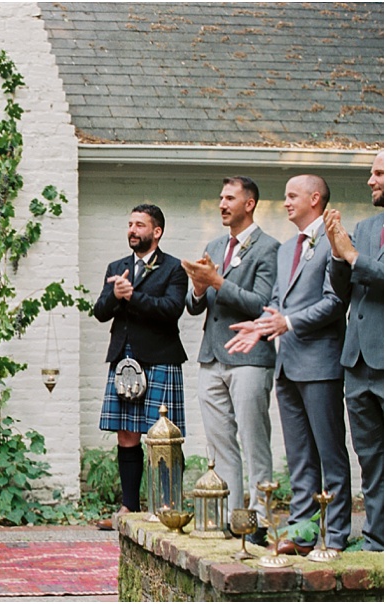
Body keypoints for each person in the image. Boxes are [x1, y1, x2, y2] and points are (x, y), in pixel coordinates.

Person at [226, 174, 351, 555]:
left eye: (292, 196)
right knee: (298, 456)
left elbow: (334, 302)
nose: (285, 203)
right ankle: (301, 532)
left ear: (316, 198)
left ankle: (336, 535)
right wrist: (263, 326)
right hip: (288, 363)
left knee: (329, 453)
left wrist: (289, 322)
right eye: (284, 197)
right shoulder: (285, 250)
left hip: (321, 362)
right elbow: (279, 300)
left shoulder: (334, 241)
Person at [183, 177, 279, 545]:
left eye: (229, 198)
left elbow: (263, 303)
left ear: (250, 203)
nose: (222, 204)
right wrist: (199, 287)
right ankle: (230, 517)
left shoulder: (269, 248)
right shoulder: (215, 244)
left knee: (254, 439)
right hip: (211, 355)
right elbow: (195, 307)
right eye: (220, 198)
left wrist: (219, 282)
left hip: (250, 357)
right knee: (220, 442)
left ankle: (260, 521)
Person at [93, 204, 187, 530]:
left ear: (156, 232)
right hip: (124, 359)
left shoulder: (173, 268)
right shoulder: (117, 267)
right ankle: (128, 508)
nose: (133, 230)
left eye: (140, 225)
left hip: (160, 357)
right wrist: (116, 295)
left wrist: (132, 297)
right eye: (130, 224)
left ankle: (167, 507)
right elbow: (100, 312)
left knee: (163, 438)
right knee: (127, 434)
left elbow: (172, 310)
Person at [324, 151, 384, 552]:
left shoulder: (357, 241)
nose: (370, 180)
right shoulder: (364, 226)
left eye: (379, 172)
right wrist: (335, 252)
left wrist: (351, 254)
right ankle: (377, 538)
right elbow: (344, 291)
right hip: (358, 361)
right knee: (370, 455)